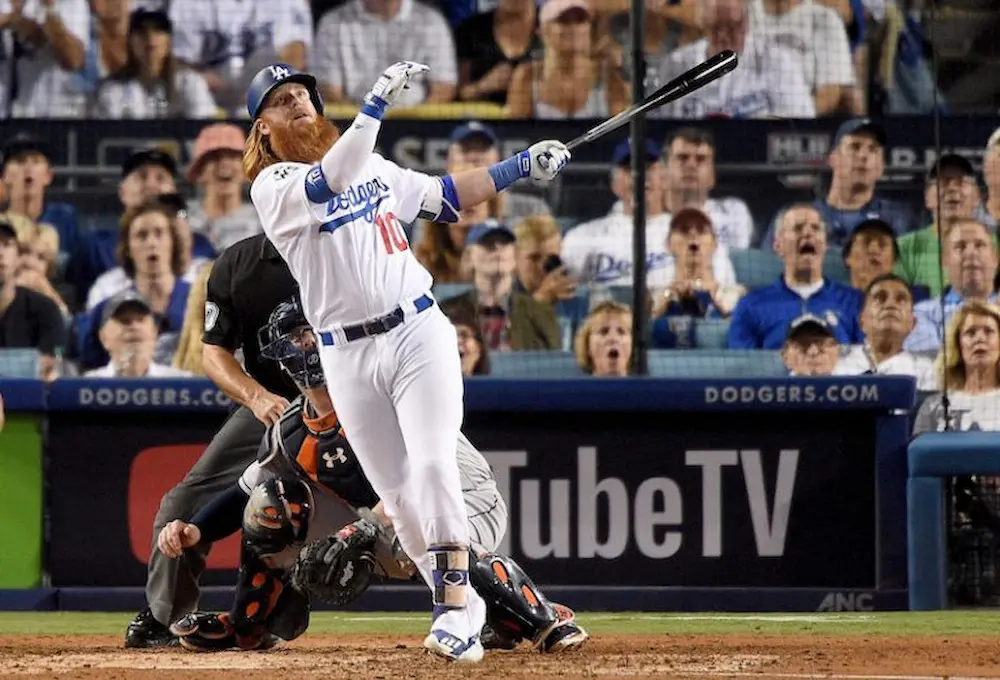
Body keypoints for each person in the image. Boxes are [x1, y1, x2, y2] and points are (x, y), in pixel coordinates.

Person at [242, 60, 569, 662]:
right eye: (280, 100)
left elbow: (445, 196)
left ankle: (452, 610)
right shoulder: (274, 185)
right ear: (262, 127)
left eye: (302, 94)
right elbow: (328, 183)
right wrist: (374, 106)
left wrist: (522, 165)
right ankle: (464, 603)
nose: (297, 103)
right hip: (346, 352)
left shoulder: (371, 163)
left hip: (416, 329)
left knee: (433, 462)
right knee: (397, 493)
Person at [157, 298, 587, 654]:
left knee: (424, 534)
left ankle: (542, 619)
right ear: (282, 357)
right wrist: (195, 530)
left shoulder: (381, 392)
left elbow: (420, 479)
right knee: (270, 504)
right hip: (386, 516)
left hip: (462, 498)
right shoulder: (290, 429)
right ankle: (247, 625)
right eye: (295, 338)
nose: (305, 345)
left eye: (310, 333)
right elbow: (244, 491)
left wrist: (360, 530)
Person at [123, 233, 300, 648]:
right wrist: (255, 397)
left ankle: (459, 601)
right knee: (182, 505)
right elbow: (213, 352)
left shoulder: (352, 245)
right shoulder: (239, 263)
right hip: (273, 401)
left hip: (349, 406)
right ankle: (167, 618)